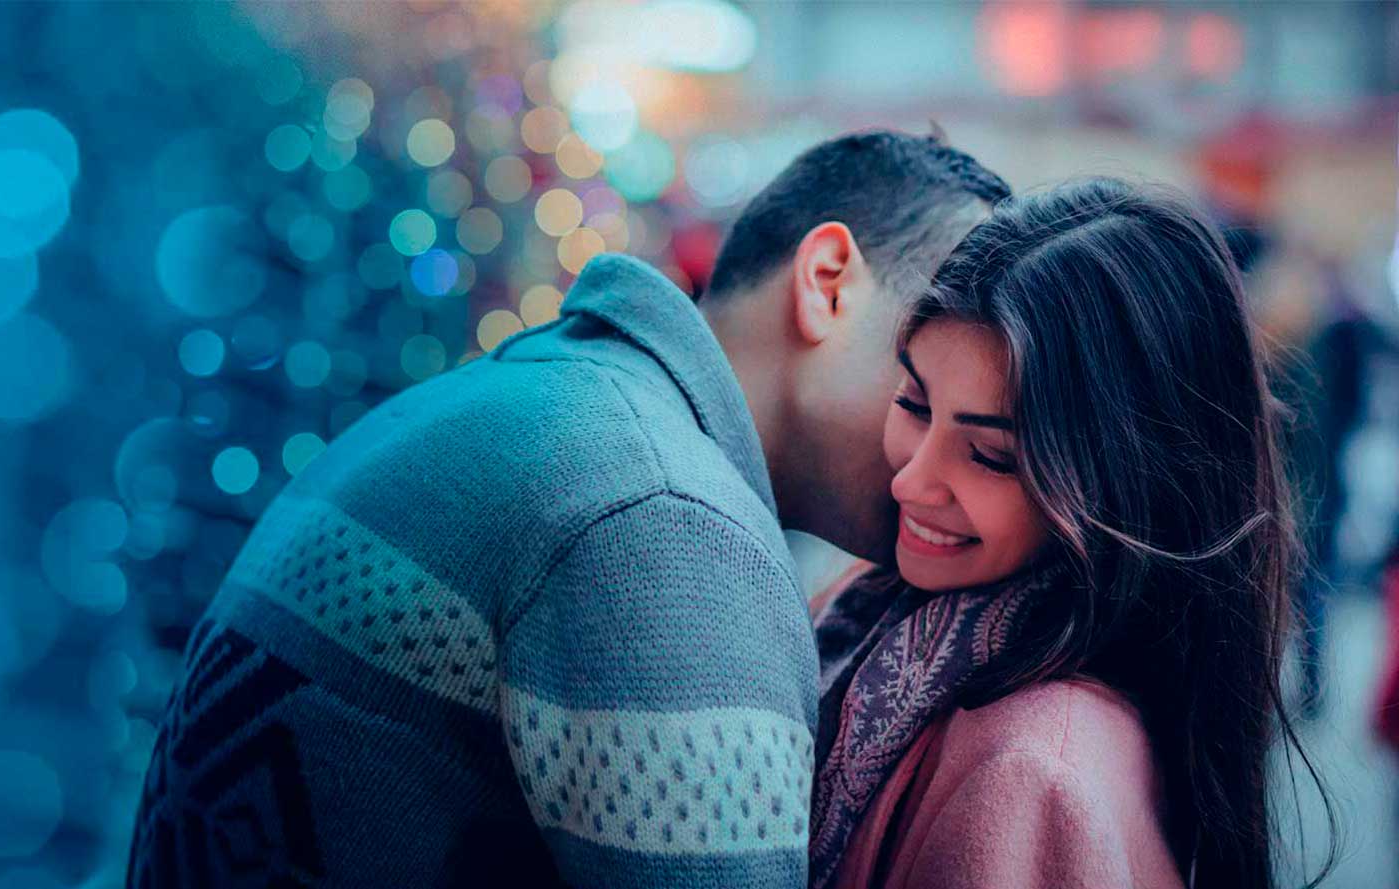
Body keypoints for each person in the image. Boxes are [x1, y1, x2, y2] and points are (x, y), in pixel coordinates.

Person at [125, 130, 1010, 888]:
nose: (949, 447)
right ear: (826, 281)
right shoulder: (661, 513)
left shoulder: (556, 398)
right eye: (930, 364)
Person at [810, 178, 1333, 889]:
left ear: (1126, 484)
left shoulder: (1034, 772)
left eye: (992, 456)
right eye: (914, 402)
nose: (910, 481)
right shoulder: (879, 606)